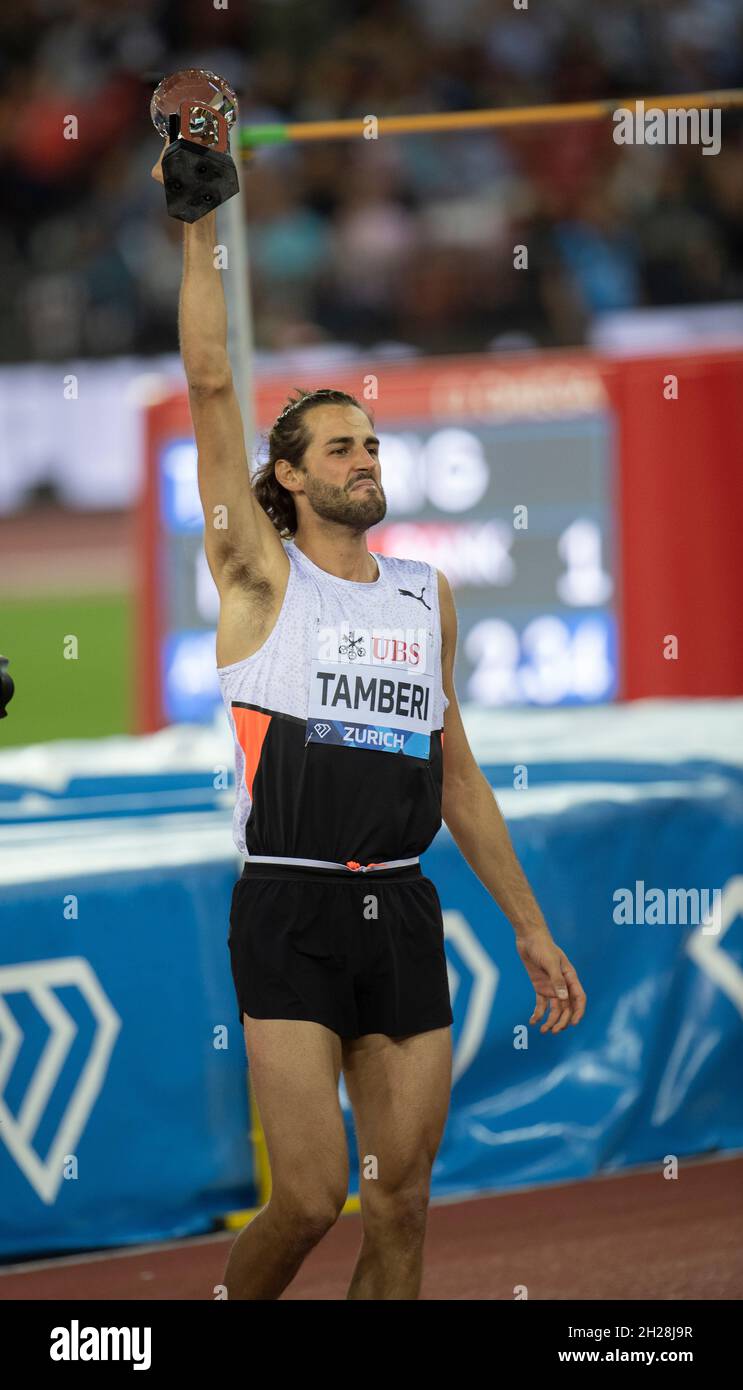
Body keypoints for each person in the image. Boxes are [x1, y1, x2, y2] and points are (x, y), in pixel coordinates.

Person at [153, 149, 586, 1301]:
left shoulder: (422, 593)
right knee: (305, 1197)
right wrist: (199, 219)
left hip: (400, 905)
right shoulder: (255, 574)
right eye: (340, 447)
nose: (364, 460)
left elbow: (457, 776)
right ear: (287, 480)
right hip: (287, 902)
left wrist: (529, 926)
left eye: (372, 445)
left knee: (398, 1200)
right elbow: (207, 384)